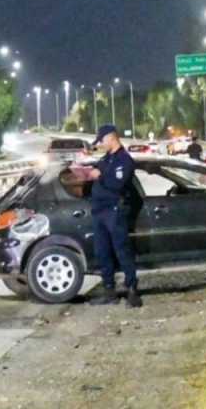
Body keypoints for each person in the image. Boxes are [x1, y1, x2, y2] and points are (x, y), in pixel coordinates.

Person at [85, 125, 142, 308]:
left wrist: (100, 176)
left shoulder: (124, 160)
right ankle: (109, 290)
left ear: (111, 138)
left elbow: (116, 184)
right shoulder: (106, 159)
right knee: (102, 252)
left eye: (102, 141)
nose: (100, 145)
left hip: (114, 211)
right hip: (99, 211)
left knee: (122, 251)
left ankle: (132, 290)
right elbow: (98, 174)